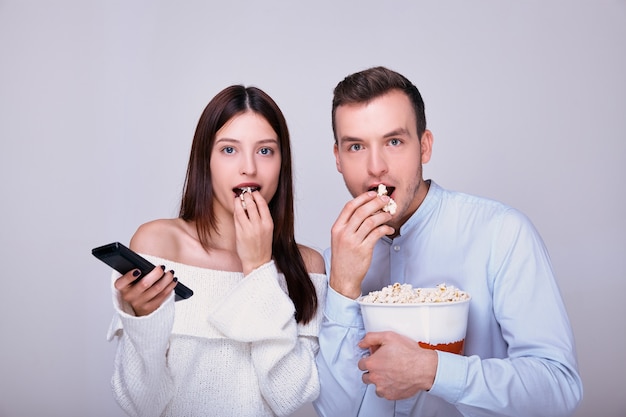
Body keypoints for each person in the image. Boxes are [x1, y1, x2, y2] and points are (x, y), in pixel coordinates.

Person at [313, 66, 583, 417]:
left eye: (394, 142)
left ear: (424, 147)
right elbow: (334, 412)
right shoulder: (332, 262)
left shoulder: (501, 233)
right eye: (356, 146)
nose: (375, 166)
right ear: (337, 158)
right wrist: (343, 287)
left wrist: (432, 371)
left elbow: (559, 388)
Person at [105, 85, 327, 417]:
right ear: (205, 159)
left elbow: (290, 396)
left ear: (282, 163)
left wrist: (257, 268)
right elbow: (141, 404)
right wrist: (143, 322)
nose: (249, 168)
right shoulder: (157, 244)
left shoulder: (308, 266)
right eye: (229, 150)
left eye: (265, 151)